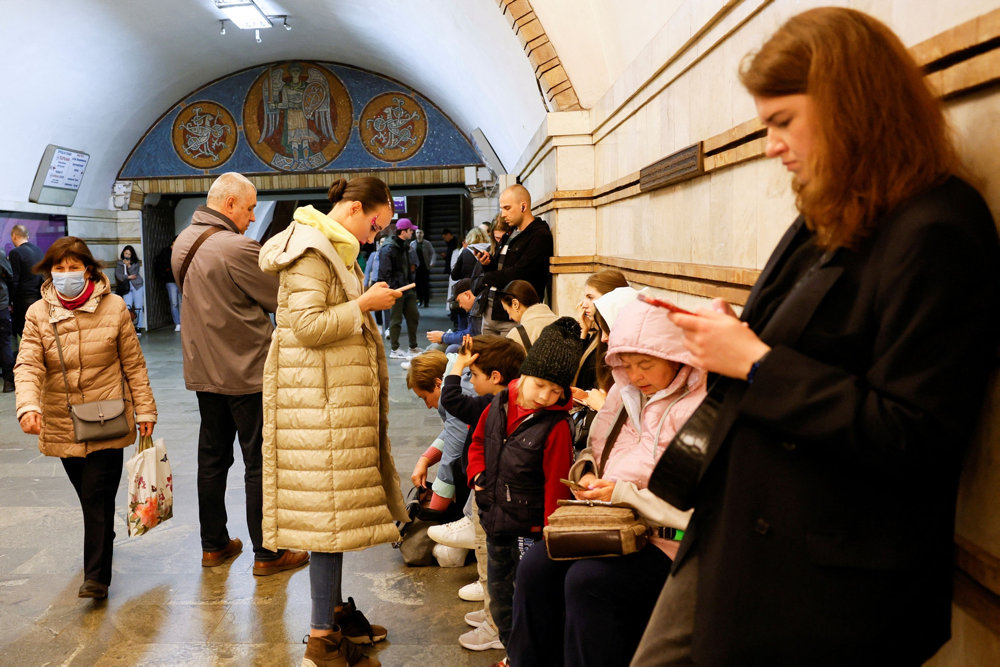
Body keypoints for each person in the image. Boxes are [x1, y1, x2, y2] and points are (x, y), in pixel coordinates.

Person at [632, 8, 1000, 665]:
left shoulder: (938, 228)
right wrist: (730, 334)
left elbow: (917, 433)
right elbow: (804, 344)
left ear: (849, 106)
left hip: (824, 580)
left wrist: (756, 361)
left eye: (782, 121)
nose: (772, 145)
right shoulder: (833, 207)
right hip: (742, 533)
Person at [508, 296, 707, 666]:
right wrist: (585, 474)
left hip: (668, 543)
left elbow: (701, 504)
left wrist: (623, 494)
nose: (635, 376)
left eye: (645, 364)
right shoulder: (622, 393)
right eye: (626, 365)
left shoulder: (700, 407)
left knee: (588, 581)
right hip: (607, 527)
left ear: (675, 354)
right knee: (535, 566)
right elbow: (592, 454)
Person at [258, 175, 407, 667]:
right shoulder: (310, 252)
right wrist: (364, 305)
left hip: (331, 401)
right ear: (355, 208)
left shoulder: (336, 250)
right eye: (375, 223)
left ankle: (336, 612)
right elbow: (305, 326)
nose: (375, 235)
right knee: (327, 518)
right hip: (316, 407)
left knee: (336, 515)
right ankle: (322, 635)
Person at [171, 172, 309, 578]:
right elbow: (279, 297)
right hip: (247, 372)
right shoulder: (237, 247)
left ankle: (213, 546)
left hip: (204, 371)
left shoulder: (183, 242)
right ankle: (268, 553)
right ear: (229, 203)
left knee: (212, 459)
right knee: (260, 463)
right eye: (249, 209)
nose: (251, 218)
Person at [14, 237, 157, 600]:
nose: (66, 275)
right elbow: (28, 364)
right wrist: (28, 406)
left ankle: (96, 578)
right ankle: (102, 535)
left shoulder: (115, 307)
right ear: (49, 272)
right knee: (89, 496)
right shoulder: (37, 314)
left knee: (96, 496)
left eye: (73, 268)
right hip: (62, 421)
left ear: (89, 269)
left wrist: (145, 409)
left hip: (108, 417)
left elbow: (133, 364)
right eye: (58, 269)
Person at [467, 317, 582, 658]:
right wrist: (477, 475)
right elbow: (476, 444)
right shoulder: (499, 404)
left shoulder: (556, 427)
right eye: (540, 385)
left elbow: (557, 484)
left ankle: (522, 655)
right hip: (494, 519)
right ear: (525, 376)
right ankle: (510, 648)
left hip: (529, 530)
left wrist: (549, 531)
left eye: (556, 391)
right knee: (499, 595)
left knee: (526, 599)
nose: (546, 396)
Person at [437, 334, 526, 653]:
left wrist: (457, 363)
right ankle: (493, 614)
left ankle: (496, 625)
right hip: (489, 495)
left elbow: (451, 400)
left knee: (493, 565)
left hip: (493, 500)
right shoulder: (506, 400)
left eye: (473, 375)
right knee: (490, 563)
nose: (470, 381)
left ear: (496, 377)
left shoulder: (493, 403)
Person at [472, 187, 552, 336]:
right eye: (502, 209)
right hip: (491, 309)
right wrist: (487, 263)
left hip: (514, 314)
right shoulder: (510, 233)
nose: (503, 215)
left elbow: (520, 273)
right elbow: (502, 269)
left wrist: (487, 279)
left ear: (523, 206)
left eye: (507, 208)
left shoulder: (539, 235)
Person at [407, 350, 471, 516]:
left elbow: (451, 459)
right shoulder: (463, 376)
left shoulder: (457, 394)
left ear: (437, 384)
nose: (428, 406)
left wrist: (432, 513)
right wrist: (425, 459)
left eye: (424, 398)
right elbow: (454, 429)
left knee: (459, 467)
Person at [574, 269, 629, 391]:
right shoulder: (598, 334)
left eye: (590, 297)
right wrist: (583, 332)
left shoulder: (612, 339)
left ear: (608, 299)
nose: (584, 304)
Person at [378, 218, 421, 359]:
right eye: (411, 231)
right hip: (397, 289)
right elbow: (384, 272)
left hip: (407, 288)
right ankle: (395, 350)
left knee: (413, 316)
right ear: (404, 232)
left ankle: (413, 347)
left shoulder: (405, 245)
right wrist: (394, 288)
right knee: (395, 320)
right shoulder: (389, 248)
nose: (413, 233)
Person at [498, 280, 557, 350]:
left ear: (515, 304)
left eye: (507, 311)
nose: (510, 317)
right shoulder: (564, 324)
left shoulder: (516, 335)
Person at [426, 278, 480, 353]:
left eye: (459, 301)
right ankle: (419, 359)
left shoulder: (478, 307)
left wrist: (444, 337)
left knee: (452, 349)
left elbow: (471, 335)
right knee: (442, 344)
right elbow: (466, 332)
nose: (460, 305)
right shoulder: (475, 307)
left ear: (467, 295)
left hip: (485, 345)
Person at [9, 224, 44, 341]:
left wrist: (10, 301)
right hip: (39, 300)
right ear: (27, 236)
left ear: (14, 236)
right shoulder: (38, 250)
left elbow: (15, 281)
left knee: (25, 337)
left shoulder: (15, 253)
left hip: (23, 303)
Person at [115, 245, 145, 332]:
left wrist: (128, 266)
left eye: (129, 254)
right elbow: (119, 276)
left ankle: (138, 327)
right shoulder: (119, 263)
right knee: (127, 306)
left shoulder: (135, 263)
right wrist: (128, 277)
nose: (127, 255)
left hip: (137, 286)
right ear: (123, 253)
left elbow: (134, 274)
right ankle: (130, 326)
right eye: (126, 253)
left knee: (138, 306)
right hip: (126, 288)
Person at [154, 237, 181, 331]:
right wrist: (166, 274)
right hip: (171, 280)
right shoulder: (165, 252)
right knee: (174, 303)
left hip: (182, 280)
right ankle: (178, 323)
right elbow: (160, 265)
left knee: (185, 303)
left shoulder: (182, 251)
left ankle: (186, 322)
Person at [410, 228, 435, 307]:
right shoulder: (412, 244)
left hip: (425, 266)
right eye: (417, 232)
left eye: (420, 232)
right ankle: (419, 300)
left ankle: (426, 301)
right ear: (415, 234)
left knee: (425, 284)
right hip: (416, 267)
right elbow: (409, 254)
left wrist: (432, 262)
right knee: (417, 284)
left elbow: (432, 253)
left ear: (423, 234)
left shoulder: (427, 243)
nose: (419, 234)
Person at [0, 248, 13, 392]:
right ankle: (9, 382)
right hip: (1, 306)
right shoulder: (1, 255)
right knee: (5, 343)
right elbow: (10, 276)